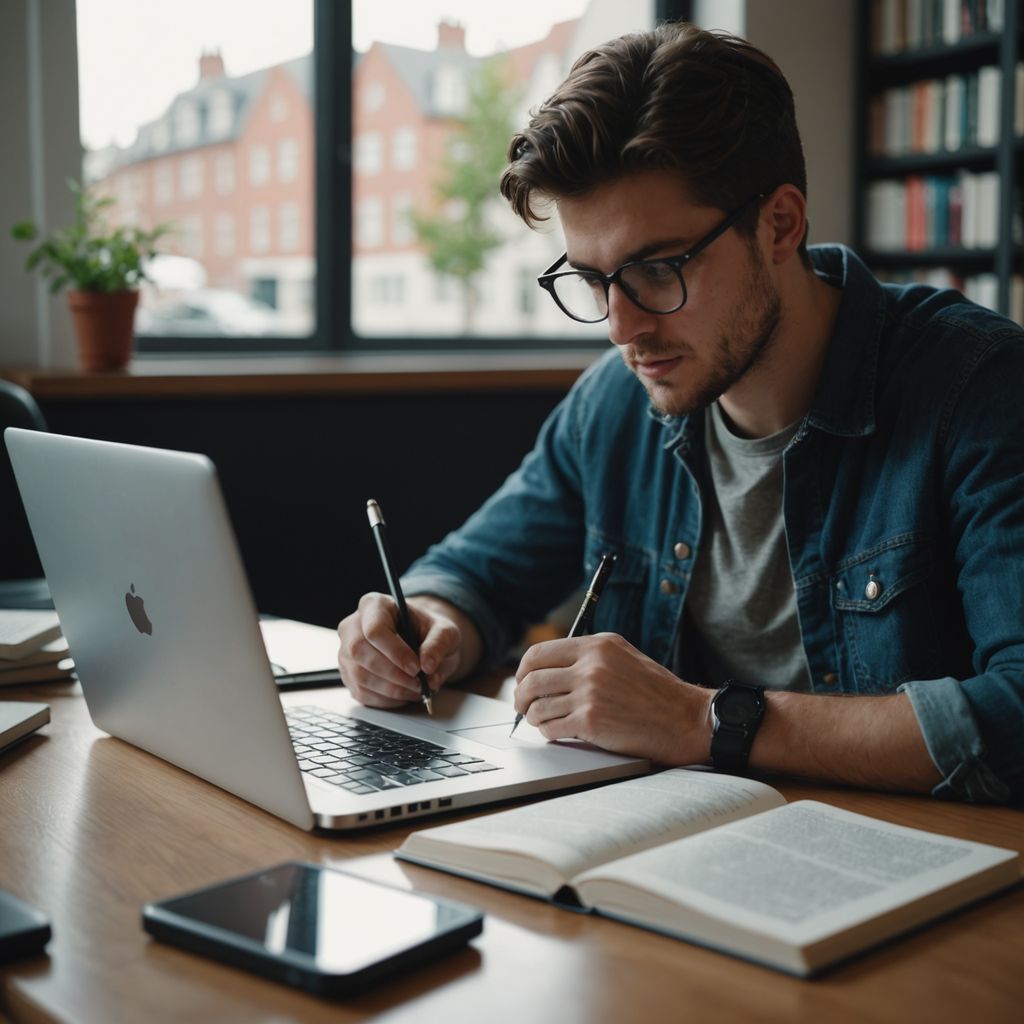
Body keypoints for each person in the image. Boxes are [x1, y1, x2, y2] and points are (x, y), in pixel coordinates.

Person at [338, 22, 1023, 802]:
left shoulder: (979, 386)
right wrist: (425, 628)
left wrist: (703, 720)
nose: (622, 328)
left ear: (781, 224)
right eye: (593, 280)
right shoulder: (615, 405)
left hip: (924, 874)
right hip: (677, 850)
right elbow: (473, 576)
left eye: (657, 270)